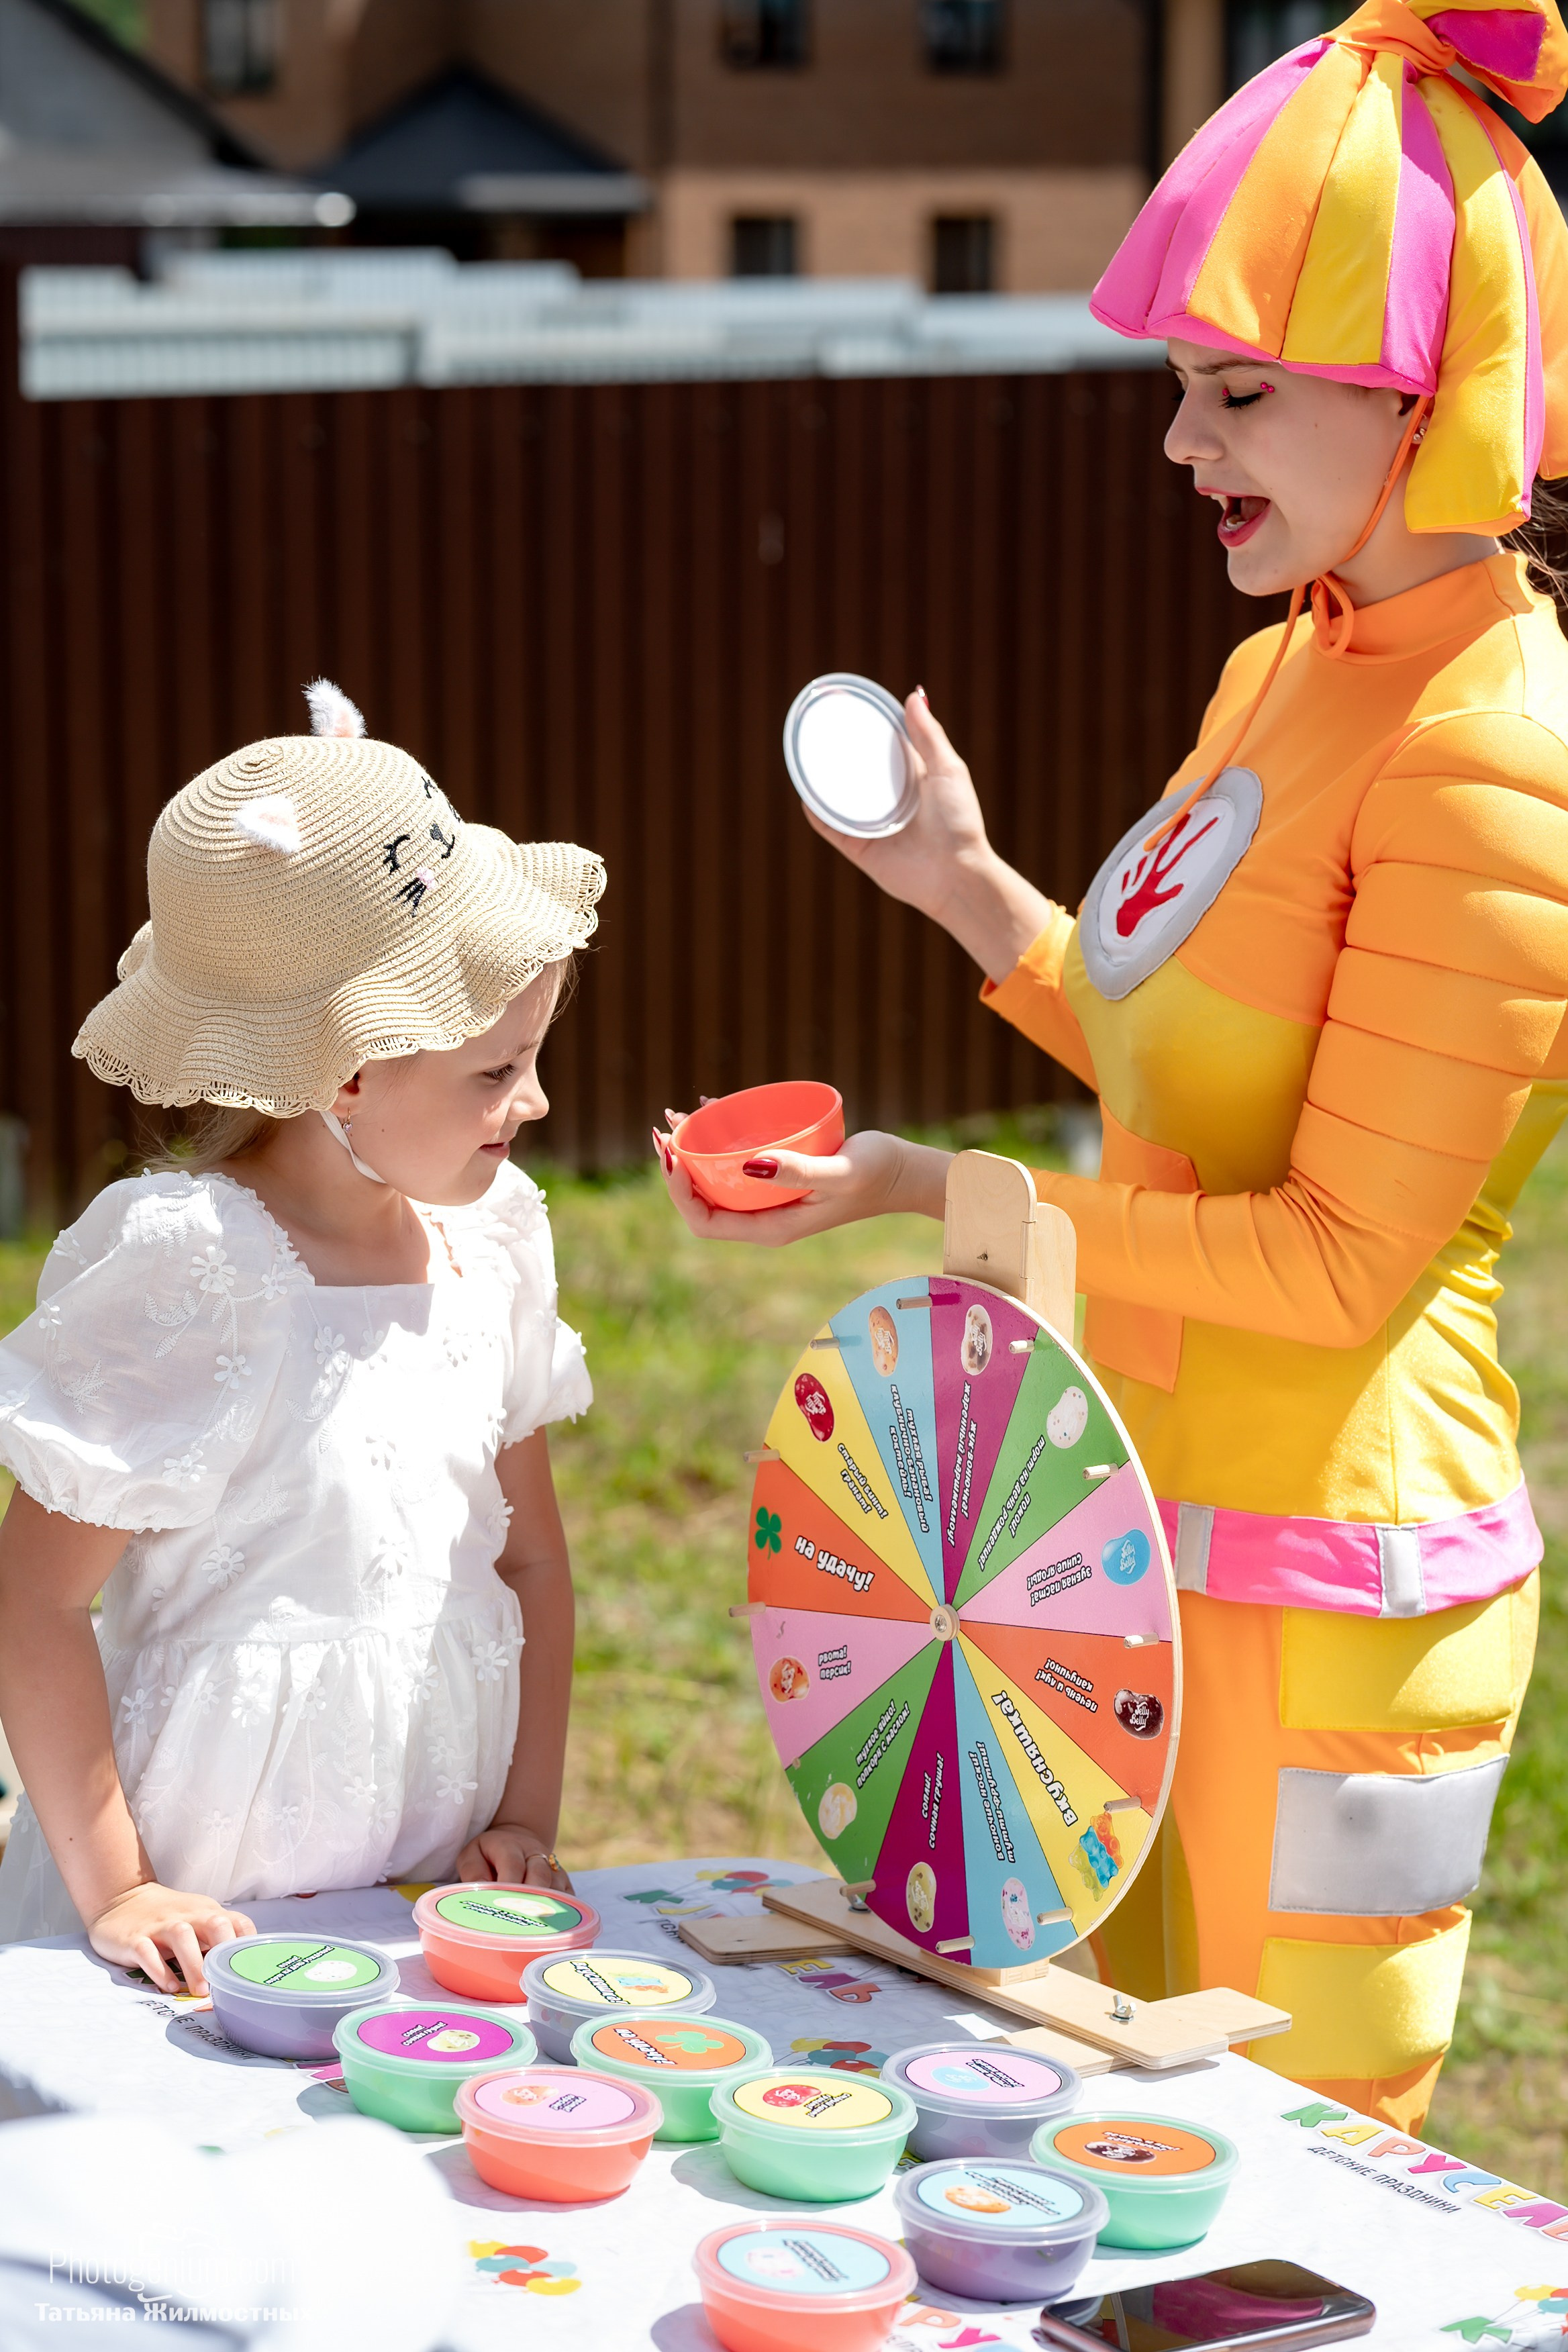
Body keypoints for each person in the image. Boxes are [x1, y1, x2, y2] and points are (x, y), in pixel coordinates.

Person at [658, 0, 1568, 2129]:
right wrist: (968, 885)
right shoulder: (1285, 667)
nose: (1181, 445)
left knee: (1291, 2188)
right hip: (1122, 1539)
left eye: (1236, 391)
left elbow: (1343, 1260)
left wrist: (930, 1191)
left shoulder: (1496, 757)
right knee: (1089, 2135)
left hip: (1334, 1595)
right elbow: (1182, 1081)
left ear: (1425, 393)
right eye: (1180, 389)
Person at [0, 681, 604, 1993]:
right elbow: (38, 1597)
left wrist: (525, 1821)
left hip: (421, 1906)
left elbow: (535, 1569)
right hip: (193, 1927)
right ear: (346, 1075)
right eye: (495, 1073)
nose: (536, 1100)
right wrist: (120, 1889)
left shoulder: (488, 1242)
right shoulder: (192, 1271)